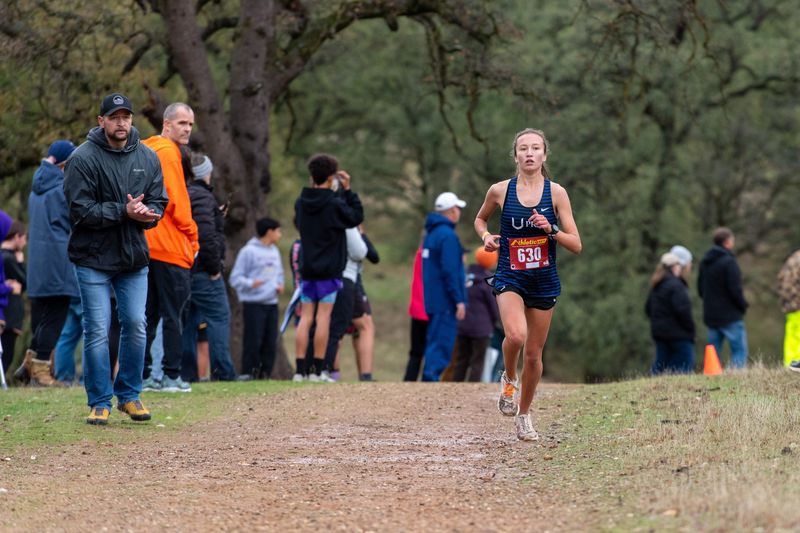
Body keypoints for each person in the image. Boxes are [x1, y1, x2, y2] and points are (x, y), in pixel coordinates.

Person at [64, 92, 167, 424]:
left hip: (132, 258)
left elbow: (159, 202)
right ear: (101, 121)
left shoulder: (148, 157)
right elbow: (80, 211)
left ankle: (130, 396)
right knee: (96, 329)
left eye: (126, 117)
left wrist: (149, 214)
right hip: (92, 257)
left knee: (136, 325)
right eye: (114, 117)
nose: (121, 122)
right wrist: (124, 212)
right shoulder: (83, 158)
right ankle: (99, 401)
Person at [474, 128, 582, 441]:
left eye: (536, 148)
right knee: (516, 335)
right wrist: (486, 238)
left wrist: (552, 230)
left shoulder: (557, 193)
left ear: (544, 155)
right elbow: (480, 220)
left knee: (534, 356)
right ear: (516, 155)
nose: (530, 153)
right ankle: (509, 378)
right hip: (510, 274)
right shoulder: (499, 191)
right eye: (524, 148)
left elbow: (576, 244)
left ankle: (524, 415)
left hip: (544, 279)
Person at [141, 102, 200, 393]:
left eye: (190, 124)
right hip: (170, 246)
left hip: (146, 245)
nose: (187, 128)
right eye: (181, 123)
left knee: (147, 316)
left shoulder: (145, 149)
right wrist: (193, 235)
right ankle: (171, 376)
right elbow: (176, 201)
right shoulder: (169, 153)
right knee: (174, 315)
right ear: (167, 124)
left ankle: (144, 376)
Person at [293, 154, 363, 381]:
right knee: (324, 318)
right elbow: (355, 217)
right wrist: (347, 190)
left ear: (311, 175)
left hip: (307, 268)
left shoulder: (301, 202)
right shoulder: (334, 204)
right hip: (329, 270)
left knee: (306, 317)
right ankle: (318, 369)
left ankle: (300, 370)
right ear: (332, 176)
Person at [15, 140, 78, 387]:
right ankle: (40, 370)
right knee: (56, 316)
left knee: (42, 316)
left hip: (39, 261)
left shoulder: (36, 188)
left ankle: (30, 362)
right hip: (59, 260)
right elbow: (75, 221)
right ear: (65, 162)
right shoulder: (62, 187)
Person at [180, 153, 237, 382]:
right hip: (204, 270)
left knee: (189, 322)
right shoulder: (203, 197)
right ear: (206, 172)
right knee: (219, 316)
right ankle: (223, 372)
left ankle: (186, 373)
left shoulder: (186, 193)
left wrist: (216, 216)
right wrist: (214, 269)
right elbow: (205, 236)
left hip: (185, 269)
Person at [420, 192, 468, 382]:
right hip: (445, 300)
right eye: (457, 208)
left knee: (434, 341)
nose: (459, 212)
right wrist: (459, 300)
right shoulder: (447, 236)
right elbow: (450, 271)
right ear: (451, 211)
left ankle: (429, 378)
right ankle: (430, 380)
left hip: (432, 298)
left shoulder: (431, 234)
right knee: (442, 343)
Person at [229, 217, 285, 380]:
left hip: (272, 303)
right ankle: (249, 374)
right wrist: (251, 283)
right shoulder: (248, 251)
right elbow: (235, 278)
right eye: (278, 231)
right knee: (253, 342)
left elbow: (279, 273)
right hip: (254, 304)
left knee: (270, 342)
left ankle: (265, 375)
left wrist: (279, 284)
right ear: (269, 232)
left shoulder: (274, 251)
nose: (280, 235)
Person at [697, 227, 748, 369]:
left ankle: (712, 379)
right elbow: (735, 289)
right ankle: (735, 379)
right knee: (739, 351)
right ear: (726, 242)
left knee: (712, 354)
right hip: (730, 316)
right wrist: (742, 305)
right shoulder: (729, 262)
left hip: (711, 316)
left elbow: (700, 289)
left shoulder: (704, 263)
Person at [322, 226, 368, 381]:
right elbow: (360, 251)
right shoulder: (345, 222)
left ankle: (318, 369)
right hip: (343, 278)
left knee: (323, 323)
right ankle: (326, 370)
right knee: (337, 327)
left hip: (322, 276)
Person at [452, 247, 500, 382]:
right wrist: (496, 320)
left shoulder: (466, 274)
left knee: (461, 360)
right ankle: (472, 388)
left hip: (462, 325)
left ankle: (455, 386)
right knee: (477, 361)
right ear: (492, 262)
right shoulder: (488, 281)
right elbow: (493, 305)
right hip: (481, 329)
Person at [645, 252, 695, 374]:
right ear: (674, 267)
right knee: (684, 362)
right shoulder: (676, 285)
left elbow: (647, 309)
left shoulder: (657, 285)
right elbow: (683, 311)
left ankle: (652, 386)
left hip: (660, 333)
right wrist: (691, 330)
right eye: (678, 265)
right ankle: (680, 388)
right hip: (678, 334)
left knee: (660, 364)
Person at [1, 222, 26, 374]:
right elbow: (26, 282)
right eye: (24, 238)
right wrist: (21, 262)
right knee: (6, 352)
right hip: (9, 314)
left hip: (9, 312)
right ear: (17, 237)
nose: (25, 243)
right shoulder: (9, 258)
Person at [403, 241, 428, 381]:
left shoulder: (420, 253)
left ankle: (409, 380)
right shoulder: (435, 253)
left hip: (417, 310)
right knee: (431, 352)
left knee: (415, 352)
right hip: (431, 311)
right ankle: (427, 382)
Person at [776, 248, 800, 369]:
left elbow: (780, 279)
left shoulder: (792, 259)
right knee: (797, 333)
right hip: (798, 302)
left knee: (792, 334)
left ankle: (789, 362)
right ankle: (796, 363)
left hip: (789, 303)